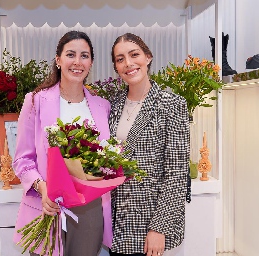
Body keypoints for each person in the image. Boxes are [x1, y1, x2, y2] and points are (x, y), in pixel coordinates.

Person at [12, 30, 112, 256]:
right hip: (47, 204)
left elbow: (105, 157)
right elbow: (22, 159)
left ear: (91, 62)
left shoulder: (101, 105)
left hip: (90, 208)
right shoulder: (36, 100)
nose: (77, 62)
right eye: (71, 55)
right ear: (58, 60)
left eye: (84, 56)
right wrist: (43, 187)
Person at [108, 33, 190, 256]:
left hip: (150, 224)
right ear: (116, 67)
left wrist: (159, 228)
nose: (128, 63)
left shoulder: (171, 104)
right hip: (118, 221)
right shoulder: (113, 104)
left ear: (148, 57)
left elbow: (177, 172)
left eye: (134, 55)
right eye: (120, 59)